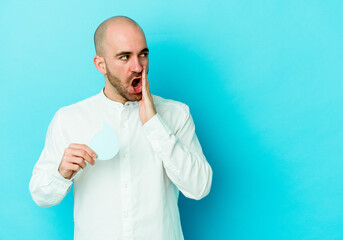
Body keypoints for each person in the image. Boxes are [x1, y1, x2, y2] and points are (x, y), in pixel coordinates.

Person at [29, 16, 212, 240]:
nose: (137, 67)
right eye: (124, 57)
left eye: (142, 54)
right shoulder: (69, 119)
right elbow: (41, 195)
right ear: (101, 64)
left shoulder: (176, 114)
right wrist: (62, 172)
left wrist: (154, 124)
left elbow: (199, 187)